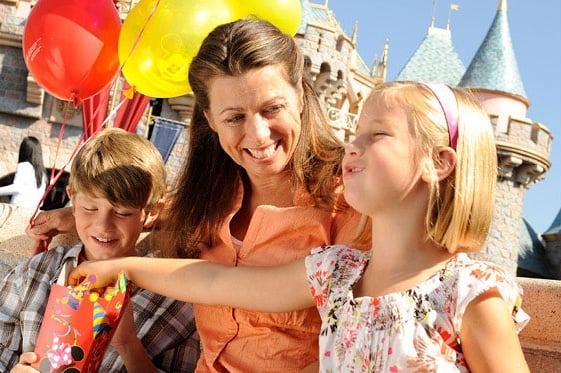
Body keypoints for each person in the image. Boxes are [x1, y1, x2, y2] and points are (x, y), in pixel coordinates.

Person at [69, 81, 530, 372]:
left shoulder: (468, 293)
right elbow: (214, 281)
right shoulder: (338, 273)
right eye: (355, 135)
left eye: (378, 135)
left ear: (439, 162)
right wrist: (122, 266)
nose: (352, 147)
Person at [26, 18, 368, 372]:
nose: (258, 134)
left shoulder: (355, 199)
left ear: (299, 95)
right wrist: (79, 215)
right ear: (210, 118)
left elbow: (352, 349)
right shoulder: (208, 199)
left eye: (272, 109)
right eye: (234, 117)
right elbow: (169, 222)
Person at [2, 128, 200, 372]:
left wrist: (128, 345)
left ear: (151, 212)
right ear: (72, 200)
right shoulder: (34, 274)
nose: (103, 226)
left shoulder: (175, 302)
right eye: (90, 208)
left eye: (122, 213)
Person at [0, 136, 47, 210]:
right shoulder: (42, 173)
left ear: (24, 150)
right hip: (32, 212)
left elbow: (17, 188)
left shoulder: (24, 165)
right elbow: (41, 202)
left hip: (17, 209)